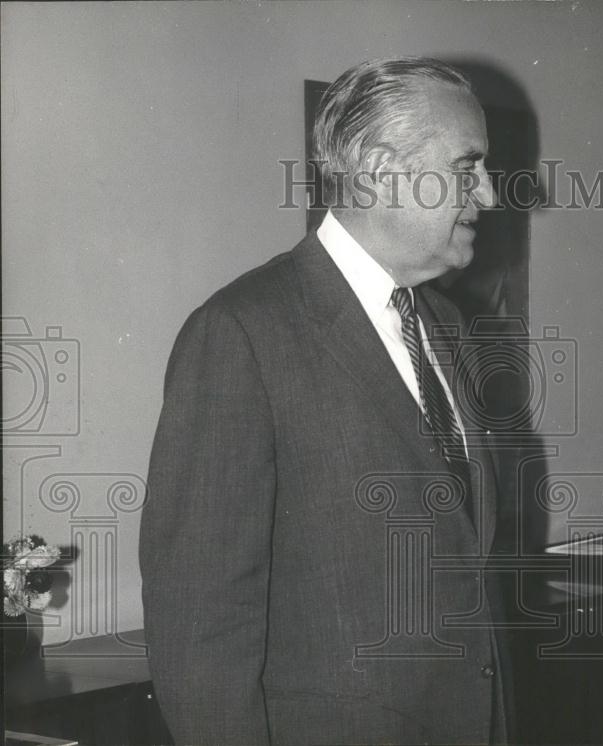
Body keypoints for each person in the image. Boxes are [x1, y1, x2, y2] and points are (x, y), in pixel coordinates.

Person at [139, 57, 507, 745]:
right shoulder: (243, 331)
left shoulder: (447, 327)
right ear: (375, 167)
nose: (487, 194)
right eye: (467, 166)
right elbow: (200, 622)